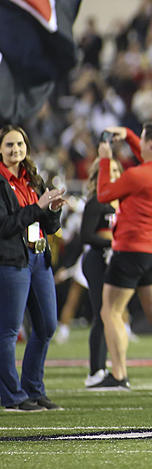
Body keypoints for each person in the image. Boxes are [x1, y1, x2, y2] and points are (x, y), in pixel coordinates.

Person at [93, 123, 152, 391]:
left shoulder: (137, 174)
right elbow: (150, 156)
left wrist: (105, 159)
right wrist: (132, 136)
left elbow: (104, 193)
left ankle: (119, 374)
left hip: (129, 250)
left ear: (149, 144)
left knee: (110, 311)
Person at [0, 125, 66, 411]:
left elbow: (48, 225)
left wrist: (53, 210)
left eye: (20, 144)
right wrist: (39, 207)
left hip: (39, 258)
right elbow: (5, 226)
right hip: (12, 260)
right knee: (9, 330)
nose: (16, 150)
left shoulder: (33, 178)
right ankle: (11, 395)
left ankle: (33, 389)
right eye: (9, 145)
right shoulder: (1, 182)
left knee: (47, 325)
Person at [80, 157, 121, 388]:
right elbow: (86, 236)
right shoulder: (97, 201)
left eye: (116, 169)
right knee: (102, 314)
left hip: (116, 262)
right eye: (109, 170)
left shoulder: (124, 201)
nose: (114, 173)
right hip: (97, 260)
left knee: (113, 315)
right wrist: (112, 244)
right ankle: (96, 370)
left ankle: (112, 368)